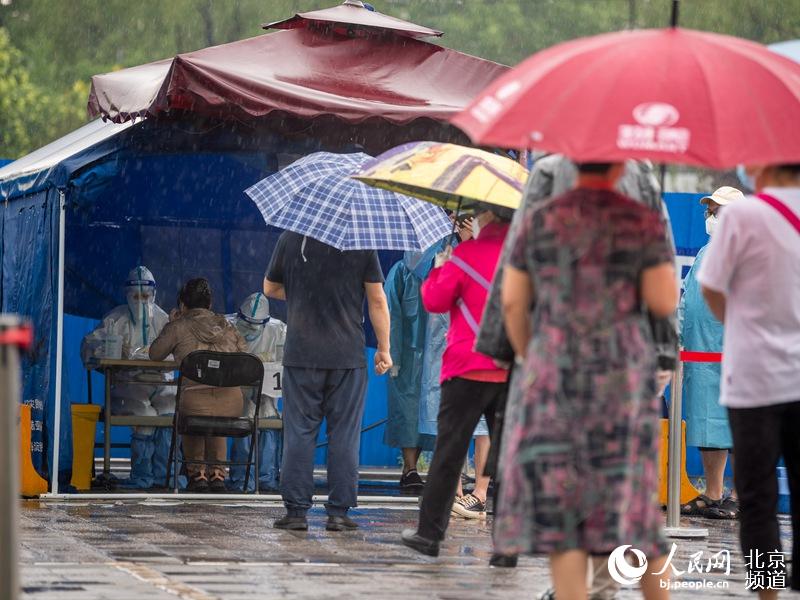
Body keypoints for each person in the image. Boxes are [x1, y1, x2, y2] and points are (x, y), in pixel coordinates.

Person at [475, 155, 675, 582]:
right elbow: (663, 300)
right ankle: (612, 583)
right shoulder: (640, 209)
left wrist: (527, 355)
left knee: (565, 512)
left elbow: (512, 300)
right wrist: (663, 352)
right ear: (619, 170)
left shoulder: (543, 210)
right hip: (622, 377)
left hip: (556, 373)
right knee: (634, 509)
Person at [698, 164, 800, 598]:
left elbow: (711, 287)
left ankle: (768, 588)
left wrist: (742, 326)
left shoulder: (742, 217)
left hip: (753, 381)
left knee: (756, 499)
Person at [401, 204, 511, 556]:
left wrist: (440, 268)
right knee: (505, 455)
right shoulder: (523, 257)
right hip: (507, 368)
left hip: (465, 367)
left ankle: (430, 535)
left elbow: (434, 301)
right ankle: (507, 547)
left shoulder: (466, 254)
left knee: (448, 453)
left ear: (487, 217)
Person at [263, 232, 392, 532]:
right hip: (346, 356)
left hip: (301, 354)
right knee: (344, 434)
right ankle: (338, 512)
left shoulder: (290, 238)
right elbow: (377, 299)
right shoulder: (361, 242)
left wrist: (304, 293)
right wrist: (384, 348)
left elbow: (269, 288)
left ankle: (296, 512)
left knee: (299, 432)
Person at [679, 186, 744, 520]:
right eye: (710, 212)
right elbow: (687, 298)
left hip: (737, 356)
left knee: (741, 426)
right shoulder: (706, 252)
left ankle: (741, 496)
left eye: (718, 212)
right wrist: (676, 335)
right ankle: (714, 493)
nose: (711, 217)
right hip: (701, 355)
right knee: (708, 425)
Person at [149, 278, 247, 493]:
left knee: (194, 409)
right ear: (209, 304)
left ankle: (197, 473)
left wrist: (171, 324)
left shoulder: (178, 326)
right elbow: (244, 355)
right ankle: (218, 473)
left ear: (183, 305)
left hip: (193, 403)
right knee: (216, 409)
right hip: (231, 405)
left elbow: (154, 354)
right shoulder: (228, 327)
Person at [81, 266, 175, 489]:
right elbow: (88, 348)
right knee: (144, 416)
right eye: (136, 296)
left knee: (171, 413)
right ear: (127, 294)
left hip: (162, 382)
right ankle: (142, 475)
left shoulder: (164, 321)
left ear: (154, 294)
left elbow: (178, 352)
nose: (141, 301)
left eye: (146, 296)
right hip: (127, 384)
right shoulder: (115, 320)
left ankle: (165, 476)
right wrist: (107, 349)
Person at [227, 292, 287, 492]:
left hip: (265, 390)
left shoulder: (279, 330)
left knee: (268, 414)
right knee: (245, 413)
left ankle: (266, 477)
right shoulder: (226, 326)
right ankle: (242, 477)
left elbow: (285, 361)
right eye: (247, 324)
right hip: (234, 388)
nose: (251, 329)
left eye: (256, 325)